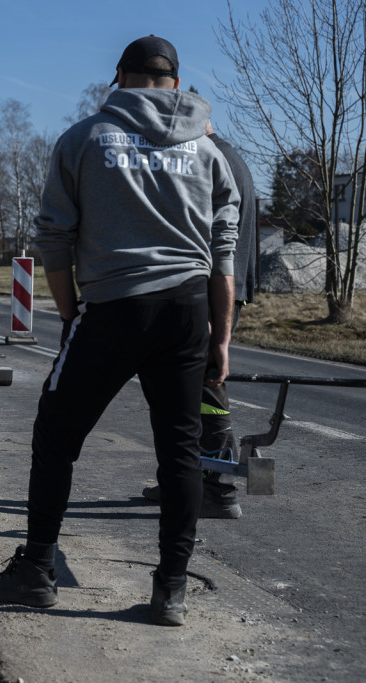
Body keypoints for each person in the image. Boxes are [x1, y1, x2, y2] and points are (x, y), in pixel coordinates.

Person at [0, 35, 239, 627]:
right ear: (176, 83)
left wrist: (73, 314)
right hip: (186, 311)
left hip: (113, 305)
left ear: (120, 79)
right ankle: (170, 590)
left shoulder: (84, 139)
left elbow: (55, 238)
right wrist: (220, 338)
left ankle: (37, 570)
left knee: (56, 432)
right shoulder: (209, 152)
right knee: (179, 450)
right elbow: (223, 253)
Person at [142, 120, 259, 519]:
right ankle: (183, 481)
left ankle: (220, 490)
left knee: (206, 389)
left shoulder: (211, 159)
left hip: (211, 291)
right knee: (188, 390)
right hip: (224, 287)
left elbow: (211, 237)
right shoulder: (231, 155)